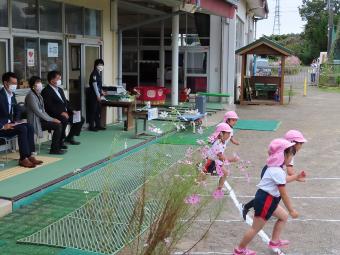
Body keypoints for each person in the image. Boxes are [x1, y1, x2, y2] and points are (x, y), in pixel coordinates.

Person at [233, 138, 301, 255]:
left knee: (283, 216)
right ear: (282, 155)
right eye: (290, 154)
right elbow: (283, 193)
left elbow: (283, 180)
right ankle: (239, 250)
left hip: (269, 199)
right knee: (255, 228)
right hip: (266, 200)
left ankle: (274, 241)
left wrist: (296, 176)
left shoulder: (276, 169)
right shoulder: (277, 171)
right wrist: (291, 210)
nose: (291, 157)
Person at [241, 130, 307, 220]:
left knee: (273, 194)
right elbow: (290, 171)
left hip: (272, 171)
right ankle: (255, 208)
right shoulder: (287, 152)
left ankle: (250, 207)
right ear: (293, 142)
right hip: (271, 172)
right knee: (271, 193)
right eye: (300, 143)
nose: (301, 146)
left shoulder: (288, 152)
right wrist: (297, 177)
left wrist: (296, 177)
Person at [0, 72, 43, 168]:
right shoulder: (1, 96)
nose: (15, 86)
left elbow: (16, 110)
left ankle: (30, 155)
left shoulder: (12, 95)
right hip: (2, 128)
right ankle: (23, 159)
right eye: (13, 83)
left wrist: (17, 121)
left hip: (11, 125)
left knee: (29, 126)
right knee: (22, 129)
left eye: (16, 83)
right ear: (6, 83)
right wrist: (3, 126)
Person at [41, 71, 84, 146]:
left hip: (65, 112)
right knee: (64, 119)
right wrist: (60, 113)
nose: (60, 80)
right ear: (51, 80)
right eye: (57, 78)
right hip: (54, 114)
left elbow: (65, 102)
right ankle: (60, 141)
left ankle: (70, 137)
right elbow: (48, 106)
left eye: (60, 78)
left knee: (80, 119)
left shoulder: (60, 90)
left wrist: (72, 110)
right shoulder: (46, 91)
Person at [25, 76, 65, 155]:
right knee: (58, 125)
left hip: (41, 120)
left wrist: (51, 118)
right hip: (35, 122)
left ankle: (56, 147)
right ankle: (54, 149)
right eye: (37, 82)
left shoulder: (39, 95)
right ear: (33, 85)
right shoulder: (30, 96)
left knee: (59, 123)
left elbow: (43, 111)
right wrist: (52, 120)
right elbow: (38, 112)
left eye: (40, 82)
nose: (40, 84)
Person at [202, 123, 238, 190]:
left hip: (214, 161)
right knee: (202, 177)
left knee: (225, 173)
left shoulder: (222, 142)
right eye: (228, 133)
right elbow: (221, 157)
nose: (229, 135)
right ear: (221, 133)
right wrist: (232, 160)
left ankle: (219, 189)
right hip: (210, 162)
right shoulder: (218, 144)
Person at [87, 59, 106, 131]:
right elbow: (94, 85)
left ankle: (98, 125)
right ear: (96, 65)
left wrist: (102, 91)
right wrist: (98, 95)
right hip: (93, 95)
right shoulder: (94, 73)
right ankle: (91, 126)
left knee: (98, 110)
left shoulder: (98, 73)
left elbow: (98, 85)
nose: (101, 66)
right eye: (99, 65)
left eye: (102, 65)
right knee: (93, 111)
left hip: (97, 94)